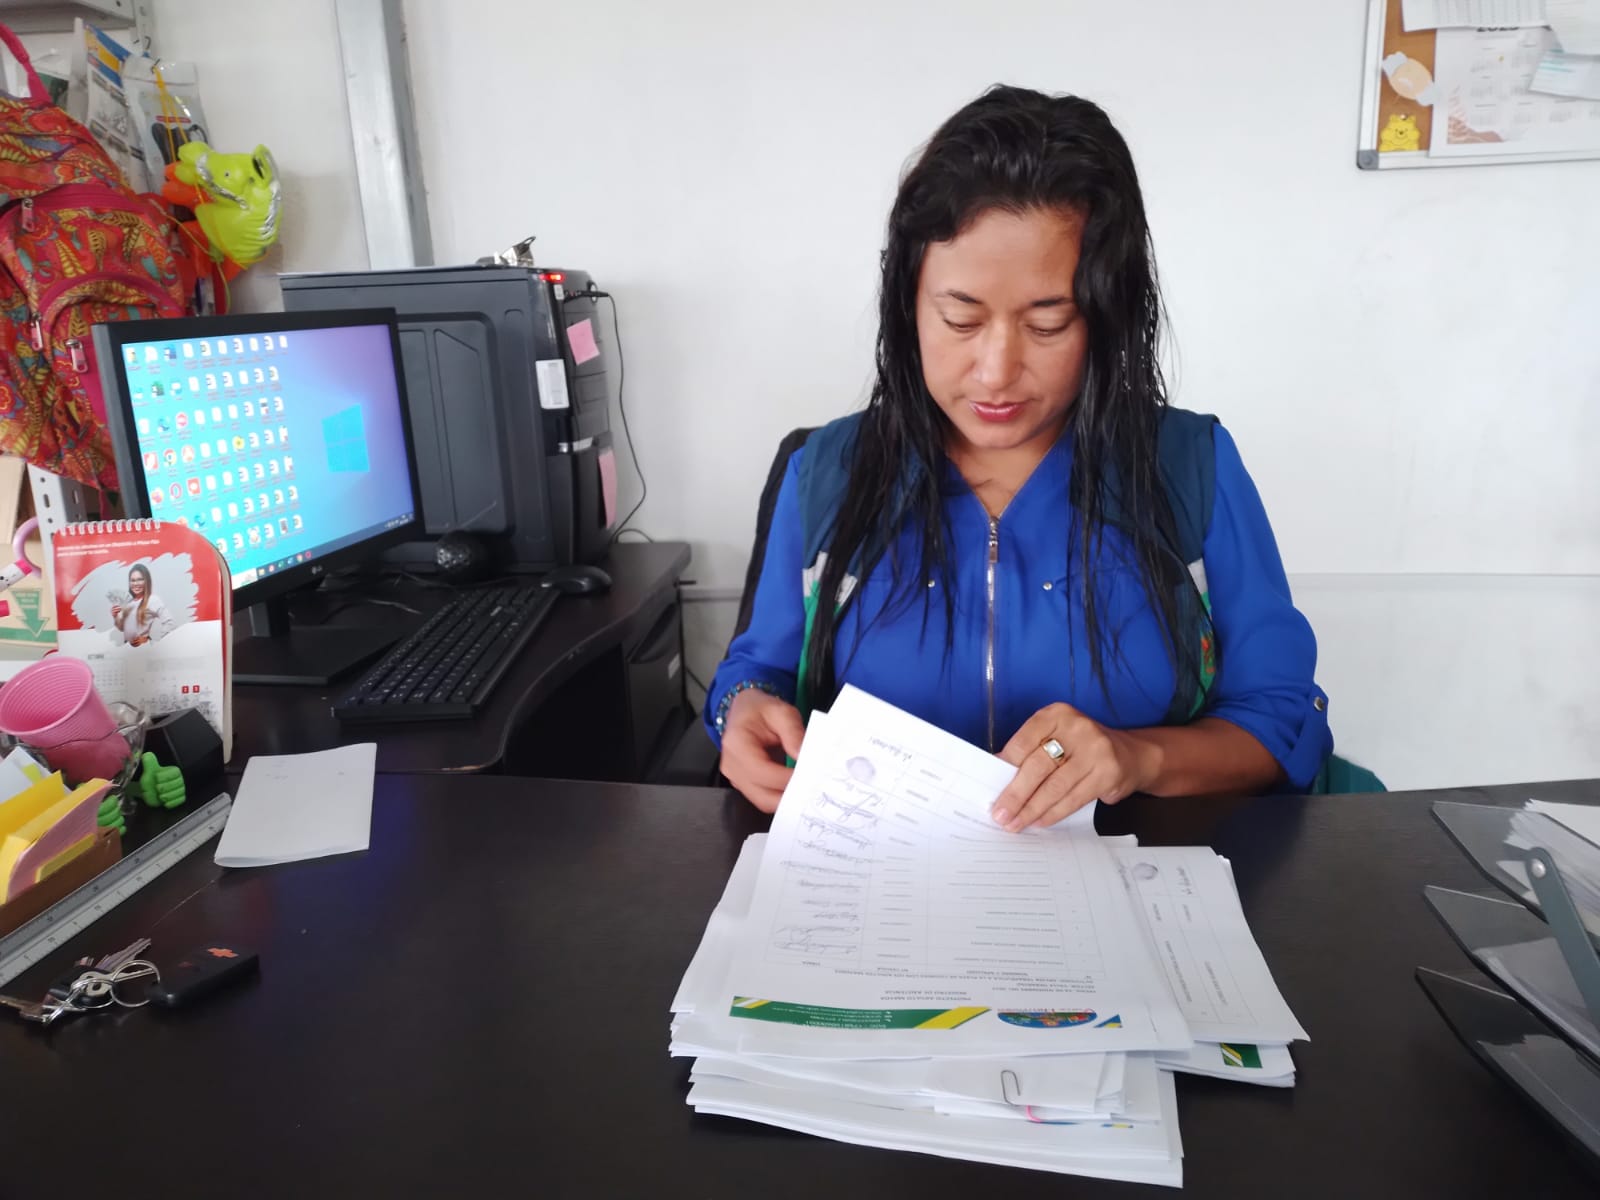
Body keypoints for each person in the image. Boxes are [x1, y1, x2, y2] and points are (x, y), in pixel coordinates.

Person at [705, 85, 1333, 828]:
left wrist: (1139, 757)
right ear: (908, 307)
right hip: (881, 881)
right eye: (960, 319)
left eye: (1048, 324)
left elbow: (1280, 718)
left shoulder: (1189, 468)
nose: (996, 372)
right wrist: (742, 710)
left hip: (1132, 879)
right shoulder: (829, 473)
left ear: (1106, 315)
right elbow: (758, 670)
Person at [110, 562, 173, 647]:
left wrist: (155, 642)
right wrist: (115, 616)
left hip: (143, 649)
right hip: (127, 649)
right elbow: (122, 628)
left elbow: (169, 622)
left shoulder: (152, 600)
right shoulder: (128, 602)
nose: (136, 584)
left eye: (140, 579)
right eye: (133, 580)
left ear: (146, 581)